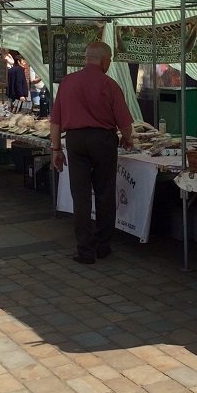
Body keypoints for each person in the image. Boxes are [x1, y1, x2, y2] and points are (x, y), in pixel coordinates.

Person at [50, 42, 134, 264]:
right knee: (105, 192)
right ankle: (103, 245)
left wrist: (56, 149)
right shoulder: (109, 84)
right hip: (103, 140)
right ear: (105, 60)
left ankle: (84, 250)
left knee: (81, 195)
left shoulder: (67, 82)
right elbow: (125, 122)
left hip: (75, 141)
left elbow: (56, 121)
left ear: (86, 58)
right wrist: (127, 139)